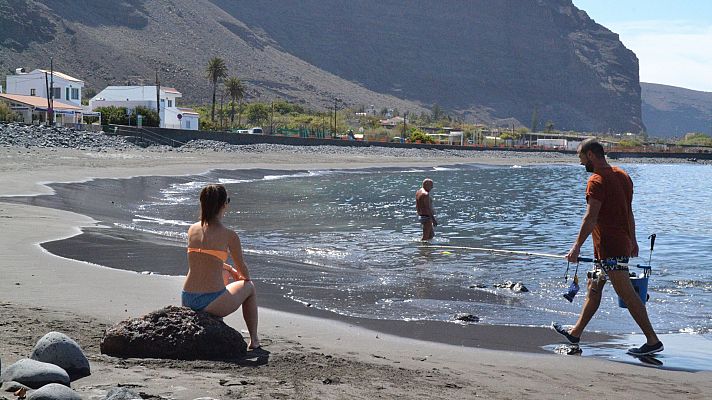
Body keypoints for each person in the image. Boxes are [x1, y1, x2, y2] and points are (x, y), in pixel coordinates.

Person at [553, 139, 662, 356]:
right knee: (594, 286)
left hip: (610, 248)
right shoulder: (623, 175)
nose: (580, 162)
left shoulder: (596, 180)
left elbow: (590, 217)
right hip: (615, 245)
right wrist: (633, 240)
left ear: (591, 155)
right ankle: (575, 332)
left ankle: (652, 341)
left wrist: (575, 248)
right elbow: (628, 212)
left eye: (581, 157)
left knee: (628, 295)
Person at [182, 184, 260, 349]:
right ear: (224, 204)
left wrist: (228, 269)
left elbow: (203, 259)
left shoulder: (192, 229)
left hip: (187, 298)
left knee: (224, 271)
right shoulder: (229, 235)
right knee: (250, 287)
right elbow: (243, 271)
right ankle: (254, 340)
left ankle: (216, 320)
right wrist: (241, 276)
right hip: (210, 302)